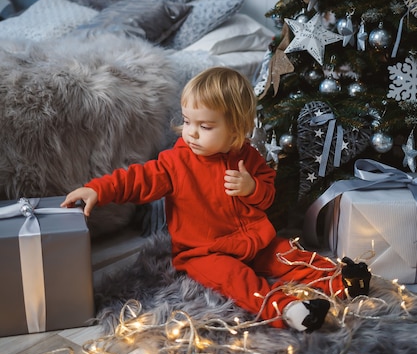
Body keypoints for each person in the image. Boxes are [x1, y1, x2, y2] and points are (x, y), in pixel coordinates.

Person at [61, 67, 370, 332]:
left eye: (205, 126)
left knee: (286, 254)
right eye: (187, 122)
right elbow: (136, 178)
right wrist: (99, 189)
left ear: (235, 129)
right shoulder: (175, 163)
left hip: (252, 240)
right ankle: (289, 310)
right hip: (204, 252)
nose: (191, 133)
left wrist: (251, 188)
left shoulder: (247, 157)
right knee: (237, 279)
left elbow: (266, 197)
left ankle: (340, 282)